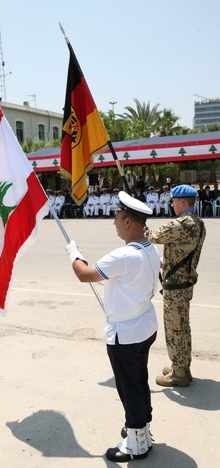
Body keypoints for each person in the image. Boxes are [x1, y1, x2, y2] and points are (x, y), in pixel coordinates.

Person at [66, 192, 160, 462]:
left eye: (117, 218)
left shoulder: (124, 255)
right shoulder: (149, 247)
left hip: (127, 333)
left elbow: (84, 275)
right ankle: (142, 426)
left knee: (128, 386)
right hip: (144, 325)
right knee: (138, 380)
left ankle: (136, 443)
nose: (114, 223)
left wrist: (74, 254)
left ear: (129, 222)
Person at [144, 184, 206, 387]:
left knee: (174, 329)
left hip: (175, 286)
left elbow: (153, 236)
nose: (171, 204)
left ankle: (178, 373)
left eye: (173, 201)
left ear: (182, 202)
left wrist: (141, 222)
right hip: (185, 283)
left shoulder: (181, 224)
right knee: (182, 327)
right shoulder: (198, 223)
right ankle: (182, 367)